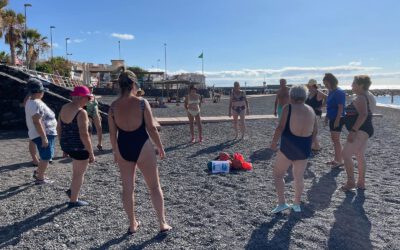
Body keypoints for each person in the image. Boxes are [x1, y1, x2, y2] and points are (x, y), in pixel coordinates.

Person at [108, 70, 172, 234]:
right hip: (142, 145)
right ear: (134, 84)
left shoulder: (113, 107)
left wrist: (115, 152)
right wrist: (160, 146)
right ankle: (162, 223)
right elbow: (151, 128)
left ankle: (132, 224)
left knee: (127, 189)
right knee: (154, 186)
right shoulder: (142, 102)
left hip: (123, 147)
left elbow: (113, 134)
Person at [270, 85, 317, 213]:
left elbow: (280, 127)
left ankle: (282, 203)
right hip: (304, 147)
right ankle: (296, 204)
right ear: (305, 96)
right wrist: (310, 144)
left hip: (288, 146)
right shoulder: (311, 110)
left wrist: (274, 143)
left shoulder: (288, 108)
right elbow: (315, 131)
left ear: (291, 96)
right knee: (298, 177)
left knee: (278, 175)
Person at [58, 86, 95, 207]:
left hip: (67, 145)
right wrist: (91, 152)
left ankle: (72, 190)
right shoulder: (81, 112)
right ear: (81, 97)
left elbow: (59, 128)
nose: (88, 101)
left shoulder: (64, 107)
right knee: (79, 174)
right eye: (88, 98)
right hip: (79, 147)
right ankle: (73, 200)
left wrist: (63, 146)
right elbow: (84, 135)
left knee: (76, 171)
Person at [340, 76, 375, 191]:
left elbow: (363, 114)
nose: (351, 86)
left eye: (353, 83)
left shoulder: (360, 97)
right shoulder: (369, 96)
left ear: (361, 85)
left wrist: (353, 131)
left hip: (360, 130)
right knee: (360, 155)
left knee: (345, 154)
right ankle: (361, 183)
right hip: (366, 129)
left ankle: (351, 182)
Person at [24, 78, 57, 184]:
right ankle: (40, 178)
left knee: (46, 155)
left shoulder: (31, 101)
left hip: (44, 133)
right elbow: (36, 121)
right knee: (46, 156)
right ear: (39, 92)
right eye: (42, 91)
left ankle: (39, 172)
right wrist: (44, 137)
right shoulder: (35, 103)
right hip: (44, 133)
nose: (43, 93)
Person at [323, 73, 346, 168]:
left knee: (336, 140)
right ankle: (336, 159)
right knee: (334, 140)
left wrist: (337, 120)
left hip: (338, 118)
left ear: (331, 82)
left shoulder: (339, 92)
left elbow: (341, 107)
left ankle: (339, 161)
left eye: (326, 83)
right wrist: (327, 117)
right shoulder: (331, 92)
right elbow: (329, 106)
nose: (325, 85)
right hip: (332, 118)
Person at [305, 79, 325, 151]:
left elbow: (327, 97)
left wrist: (322, 106)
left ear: (313, 86)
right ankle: (316, 145)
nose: (308, 87)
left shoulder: (318, 92)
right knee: (311, 130)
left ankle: (316, 145)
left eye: (309, 86)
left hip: (315, 113)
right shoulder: (309, 93)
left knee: (314, 130)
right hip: (309, 114)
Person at [86, 86, 103, 151]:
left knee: (99, 128)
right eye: (90, 88)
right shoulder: (85, 96)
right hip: (88, 114)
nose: (91, 89)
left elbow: (96, 106)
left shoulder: (93, 95)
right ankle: (89, 145)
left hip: (95, 113)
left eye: (92, 88)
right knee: (90, 130)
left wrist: (99, 114)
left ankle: (100, 144)